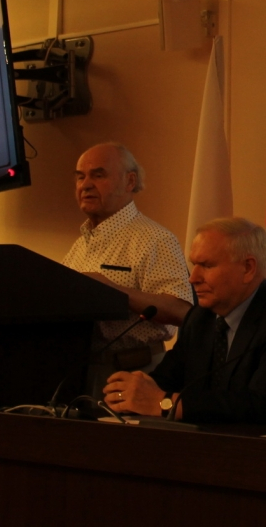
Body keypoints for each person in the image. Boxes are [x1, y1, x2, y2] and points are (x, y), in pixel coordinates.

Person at [103, 217, 266, 426]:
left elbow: (264, 403)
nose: (193, 278)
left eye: (207, 266)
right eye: (194, 265)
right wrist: (134, 392)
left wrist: (167, 403)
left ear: (248, 268)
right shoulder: (200, 317)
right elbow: (166, 379)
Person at [63, 142, 193, 397]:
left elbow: (181, 311)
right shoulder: (79, 246)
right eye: (80, 177)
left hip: (135, 372)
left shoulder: (155, 239)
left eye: (98, 175)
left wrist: (111, 290)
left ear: (129, 181)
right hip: (79, 371)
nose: (85, 185)